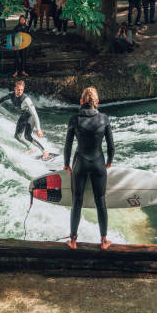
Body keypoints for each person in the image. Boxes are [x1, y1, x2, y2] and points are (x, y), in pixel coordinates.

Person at [63, 87, 115, 251]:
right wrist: (109, 162)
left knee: (76, 202)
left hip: (80, 163)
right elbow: (111, 147)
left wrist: (66, 164)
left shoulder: (74, 119)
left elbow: (68, 145)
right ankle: (104, 240)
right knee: (101, 201)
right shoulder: (104, 118)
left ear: (81, 102)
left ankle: (73, 240)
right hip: (99, 163)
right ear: (96, 103)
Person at [0, 80, 49, 160]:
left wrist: (38, 129)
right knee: (17, 136)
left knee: (27, 136)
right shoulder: (11, 95)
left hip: (31, 117)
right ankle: (30, 148)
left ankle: (44, 151)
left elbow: (35, 114)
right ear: (15, 88)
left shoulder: (26, 99)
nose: (20, 91)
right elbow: (2, 99)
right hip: (23, 116)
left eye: (21, 90)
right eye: (18, 89)